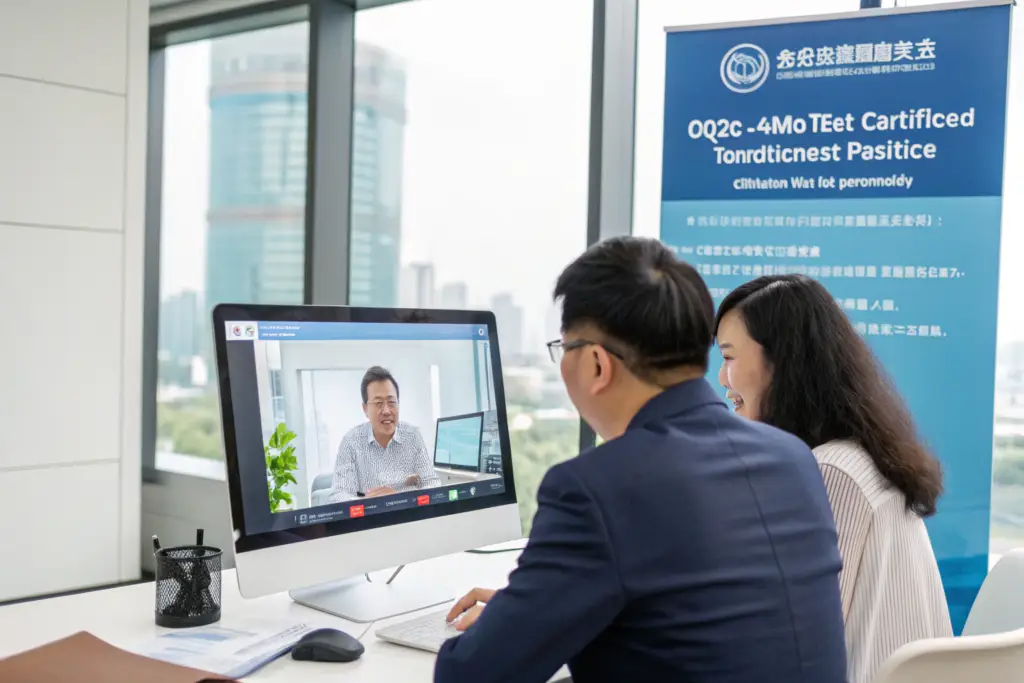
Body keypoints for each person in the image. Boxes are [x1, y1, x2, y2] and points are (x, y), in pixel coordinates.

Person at [434, 237, 847, 683]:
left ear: (596, 363)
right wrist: (534, 612)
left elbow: (468, 676)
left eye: (564, 348)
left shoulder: (597, 489)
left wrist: (521, 624)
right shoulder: (791, 458)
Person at [715, 274, 952, 683]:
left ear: (782, 363)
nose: (722, 378)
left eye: (729, 357)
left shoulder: (830, 473)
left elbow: (793, 642)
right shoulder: (861, 457)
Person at [328, 366, 441, 502]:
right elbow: (338, 496)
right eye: (378, 403)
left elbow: (433, 484)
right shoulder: (351, 442)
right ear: (365, 409)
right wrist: (371, 502)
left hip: (408, 512)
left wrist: (397, 498)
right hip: (370, 514)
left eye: (392, 402)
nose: (386, 411)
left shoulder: (413, 436)